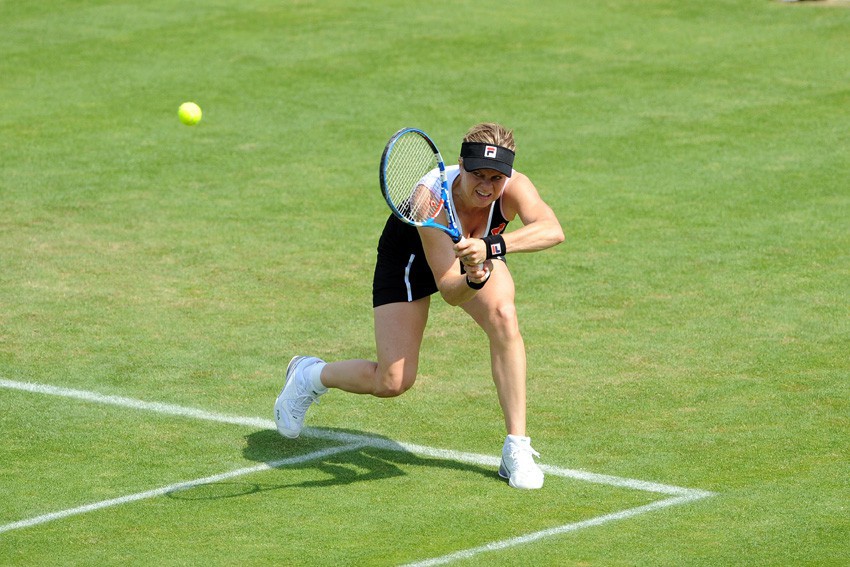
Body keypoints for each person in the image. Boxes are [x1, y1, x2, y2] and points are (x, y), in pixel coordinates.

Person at [274, 122, 565, 489]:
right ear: (461, 164)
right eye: (478, 175)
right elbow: (450, 291)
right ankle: (309, 376)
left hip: (472, 251)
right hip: (409, 263)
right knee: (392, 381)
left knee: (504, 316)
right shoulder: (432, 198)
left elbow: (553, 229)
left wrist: (490, 248)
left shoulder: (515, 187)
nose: (487, 187)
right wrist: (475, 277)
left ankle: (516, 448)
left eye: (496, 178)